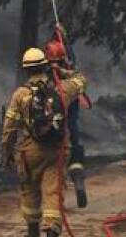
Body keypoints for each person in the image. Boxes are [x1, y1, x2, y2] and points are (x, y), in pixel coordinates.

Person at [2, 47, 88, 237]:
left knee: (30, 191)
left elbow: (9, 128)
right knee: (53, 193)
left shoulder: (20, 95)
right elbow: (82, 80)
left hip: (29, 152)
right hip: (56, 152)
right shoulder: (61, 89)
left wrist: (7, 153)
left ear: (26, 70)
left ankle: (33, 231)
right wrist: (62, 69)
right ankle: (51, 231)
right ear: (45, 66)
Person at [44, 38, 90, 207]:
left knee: (55, 166)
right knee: (74, 152)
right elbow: (81, 79)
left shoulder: (45, 84)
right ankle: (77, 175)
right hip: (70, 129)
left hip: (52, 133)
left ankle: (56, 201)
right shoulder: (70, 86)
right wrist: (65, 70)